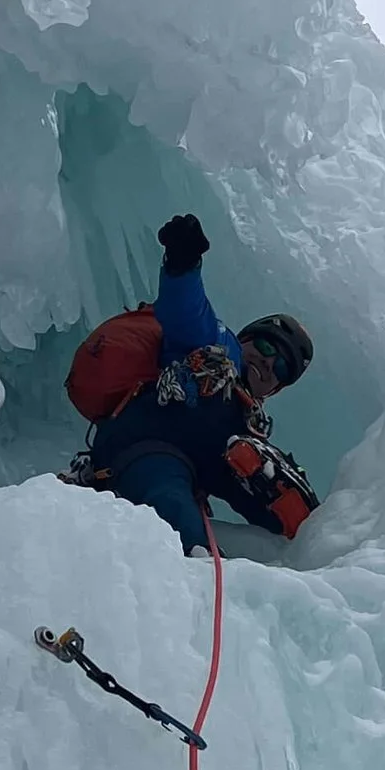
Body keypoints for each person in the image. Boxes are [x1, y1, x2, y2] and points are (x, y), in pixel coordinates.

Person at [84, 213, 319, 553]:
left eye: (282, 367)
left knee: (256, 490)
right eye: (267, 347)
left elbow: (247, 495)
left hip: (184, 471)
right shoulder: (216, 349)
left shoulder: (246, 432)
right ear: (245, 341)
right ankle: (203, 574)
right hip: (145, 449)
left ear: (276, 389)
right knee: (175, 510)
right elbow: (186, 313)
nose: (269, 362)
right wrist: (183, 262)